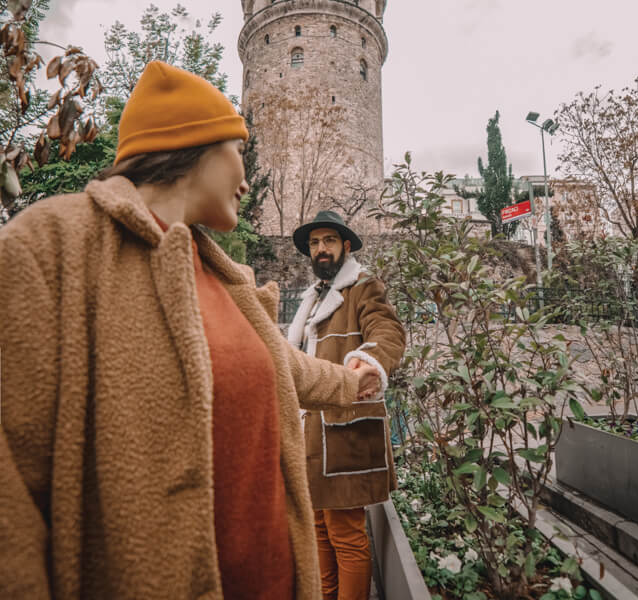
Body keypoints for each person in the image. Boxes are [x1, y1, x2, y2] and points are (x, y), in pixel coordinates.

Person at [0, 61, 382, 600]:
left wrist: (353, 381)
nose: (247, 179)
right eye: (241, 154)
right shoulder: (53, 243)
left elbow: (279, 364)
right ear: (194, 143)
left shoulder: (222, 273)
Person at [288, 211, 406, 600]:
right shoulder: (312, 298)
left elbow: (387, 331)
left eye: (329, 241)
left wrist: (370, 361)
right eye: (314, 243)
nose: (321, 249)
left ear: (346, 246)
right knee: (320, 527)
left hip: (345, 428)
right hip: (311, 430)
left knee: (347, 533)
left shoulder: (363, 288)